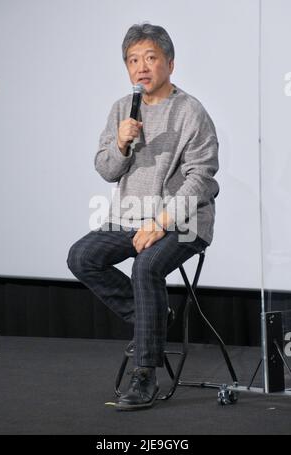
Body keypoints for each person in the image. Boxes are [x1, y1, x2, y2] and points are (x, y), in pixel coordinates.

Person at [67, 23, 219, 411]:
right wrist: (119, 144)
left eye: (150, 58)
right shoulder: (122, 108)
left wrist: (162, 221)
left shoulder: (190, 111)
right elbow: (106, 169)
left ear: (169, 62)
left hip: (184, 222)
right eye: (133, 60)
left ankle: (145, 372)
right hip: (130, 216)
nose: (141, 67)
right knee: (82, 257)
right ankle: (152, 319)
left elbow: (201, 178)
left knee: (146, 266)